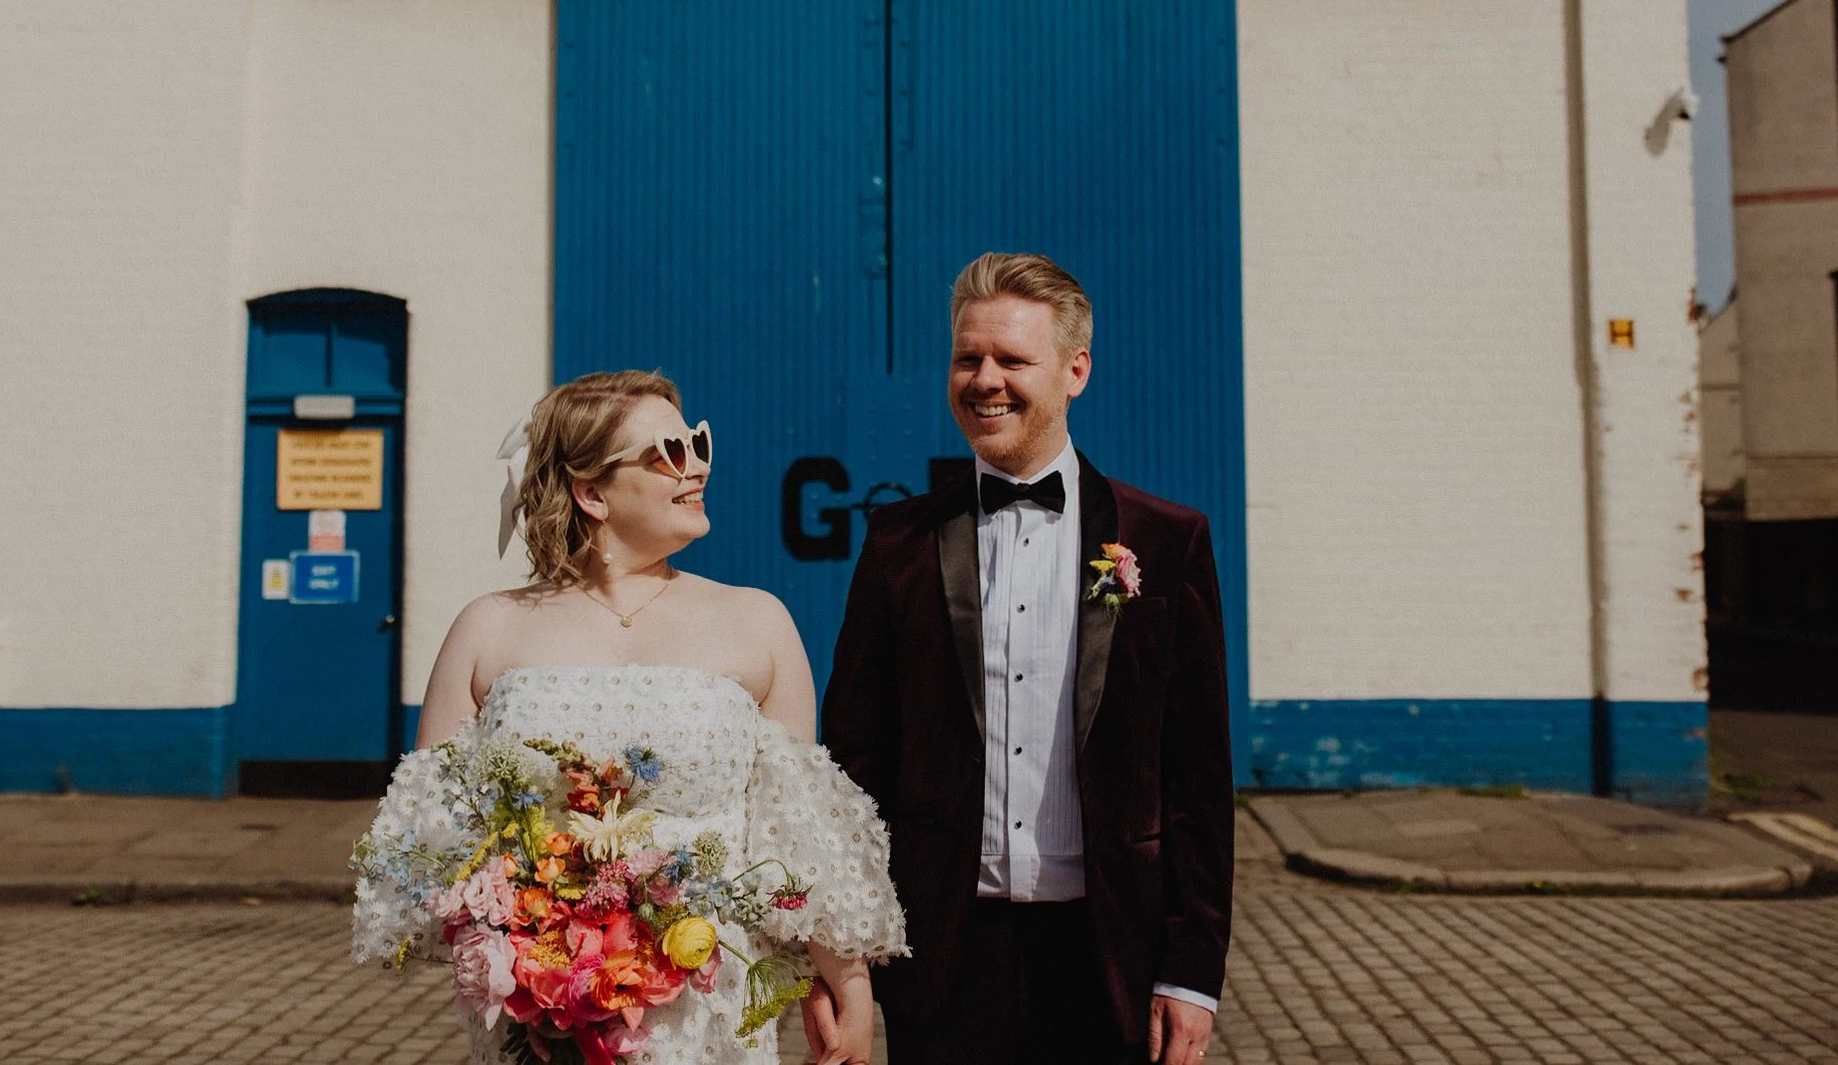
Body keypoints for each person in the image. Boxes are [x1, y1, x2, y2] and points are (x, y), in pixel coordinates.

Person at [352, 371, 904, 1065]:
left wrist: (846, 979)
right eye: (667, 452)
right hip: (540, 1004)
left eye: (698, 442)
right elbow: (432, 837)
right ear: (591, 491)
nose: (697, 463)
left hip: (711, 998)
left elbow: (793, 832)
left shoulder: (757, 621)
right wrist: (521, 933)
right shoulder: (488, 626)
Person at [823, 254, 1235, 1065]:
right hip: (940, 952)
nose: (984, 380)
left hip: (1109, 949)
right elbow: (854, 763)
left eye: (1012, 360)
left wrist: (1191, 974)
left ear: (1076, 369)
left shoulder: (1166, 540)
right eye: (966, 358)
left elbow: (1195, 774)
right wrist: (846, 961)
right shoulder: (898, 543)